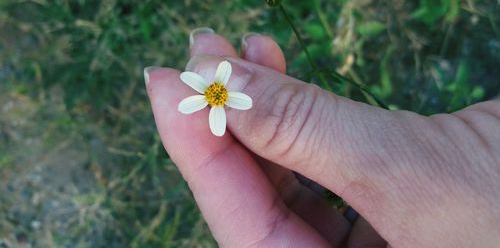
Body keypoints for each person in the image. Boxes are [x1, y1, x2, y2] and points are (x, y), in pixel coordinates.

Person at [144, 28, 500, 248]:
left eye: (219, 92)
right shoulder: (210, 96)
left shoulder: (225, 89)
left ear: (222, 90)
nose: (218, 94)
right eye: (216, 94)